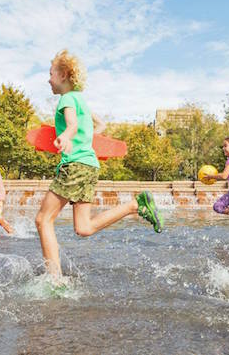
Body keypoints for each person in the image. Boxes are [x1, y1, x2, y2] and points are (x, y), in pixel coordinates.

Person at [35, 49, 163, 278]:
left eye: (51, 73)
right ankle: (134, 205)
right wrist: (83, 138)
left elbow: (72, 124)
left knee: (43, 219)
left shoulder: (66, 99)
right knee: (83, 228)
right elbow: (100, 125)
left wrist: (66, 135)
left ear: (63, 74)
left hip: (74, 166)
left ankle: (53, 280)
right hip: (89, 166)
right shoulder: (80, 100)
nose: (48, 79)